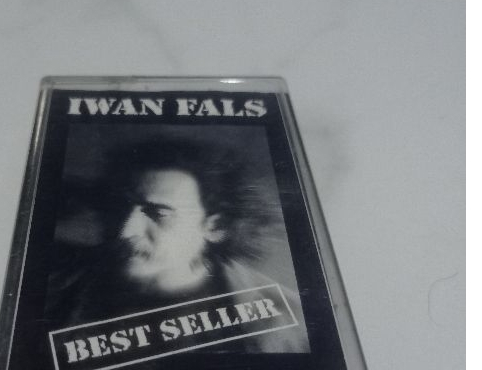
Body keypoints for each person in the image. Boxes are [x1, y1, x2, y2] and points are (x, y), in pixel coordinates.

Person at [46, 138, 309, 353]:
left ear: (215, 227)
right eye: (120, 207)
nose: (126, 231)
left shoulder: (287, 321)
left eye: (158, 214)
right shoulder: (51, 285)